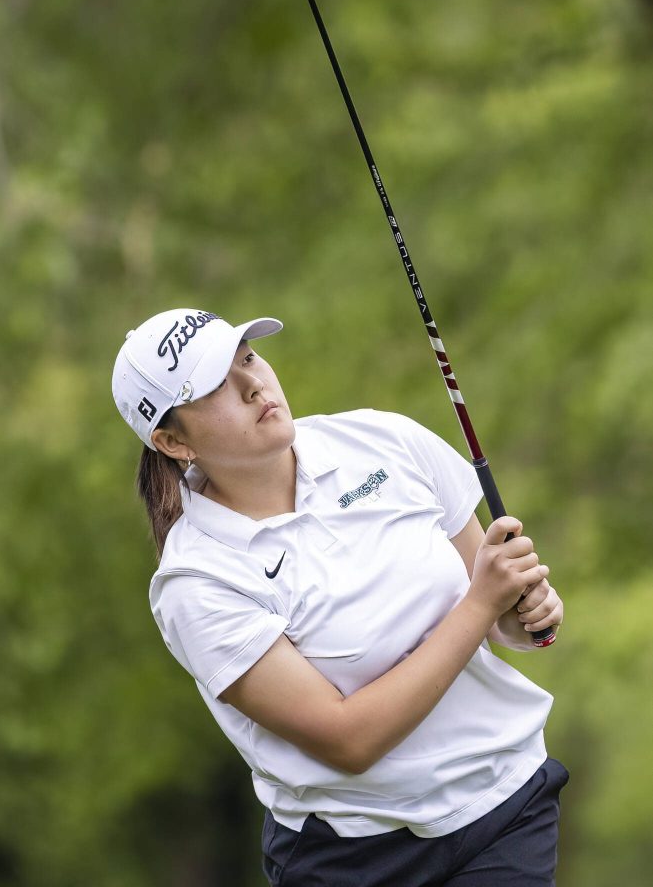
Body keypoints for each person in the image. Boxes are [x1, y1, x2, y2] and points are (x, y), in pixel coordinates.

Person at [112, 306, 568, 887]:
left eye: (247, 359)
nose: (253, 386)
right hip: (353, 857)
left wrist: (523, 618)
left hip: (503, 802)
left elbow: (494, 606)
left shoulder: (384, 439)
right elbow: (350, 740)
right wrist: (483, 605)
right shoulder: (195, 582)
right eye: (216, 387)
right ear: (172, 441)